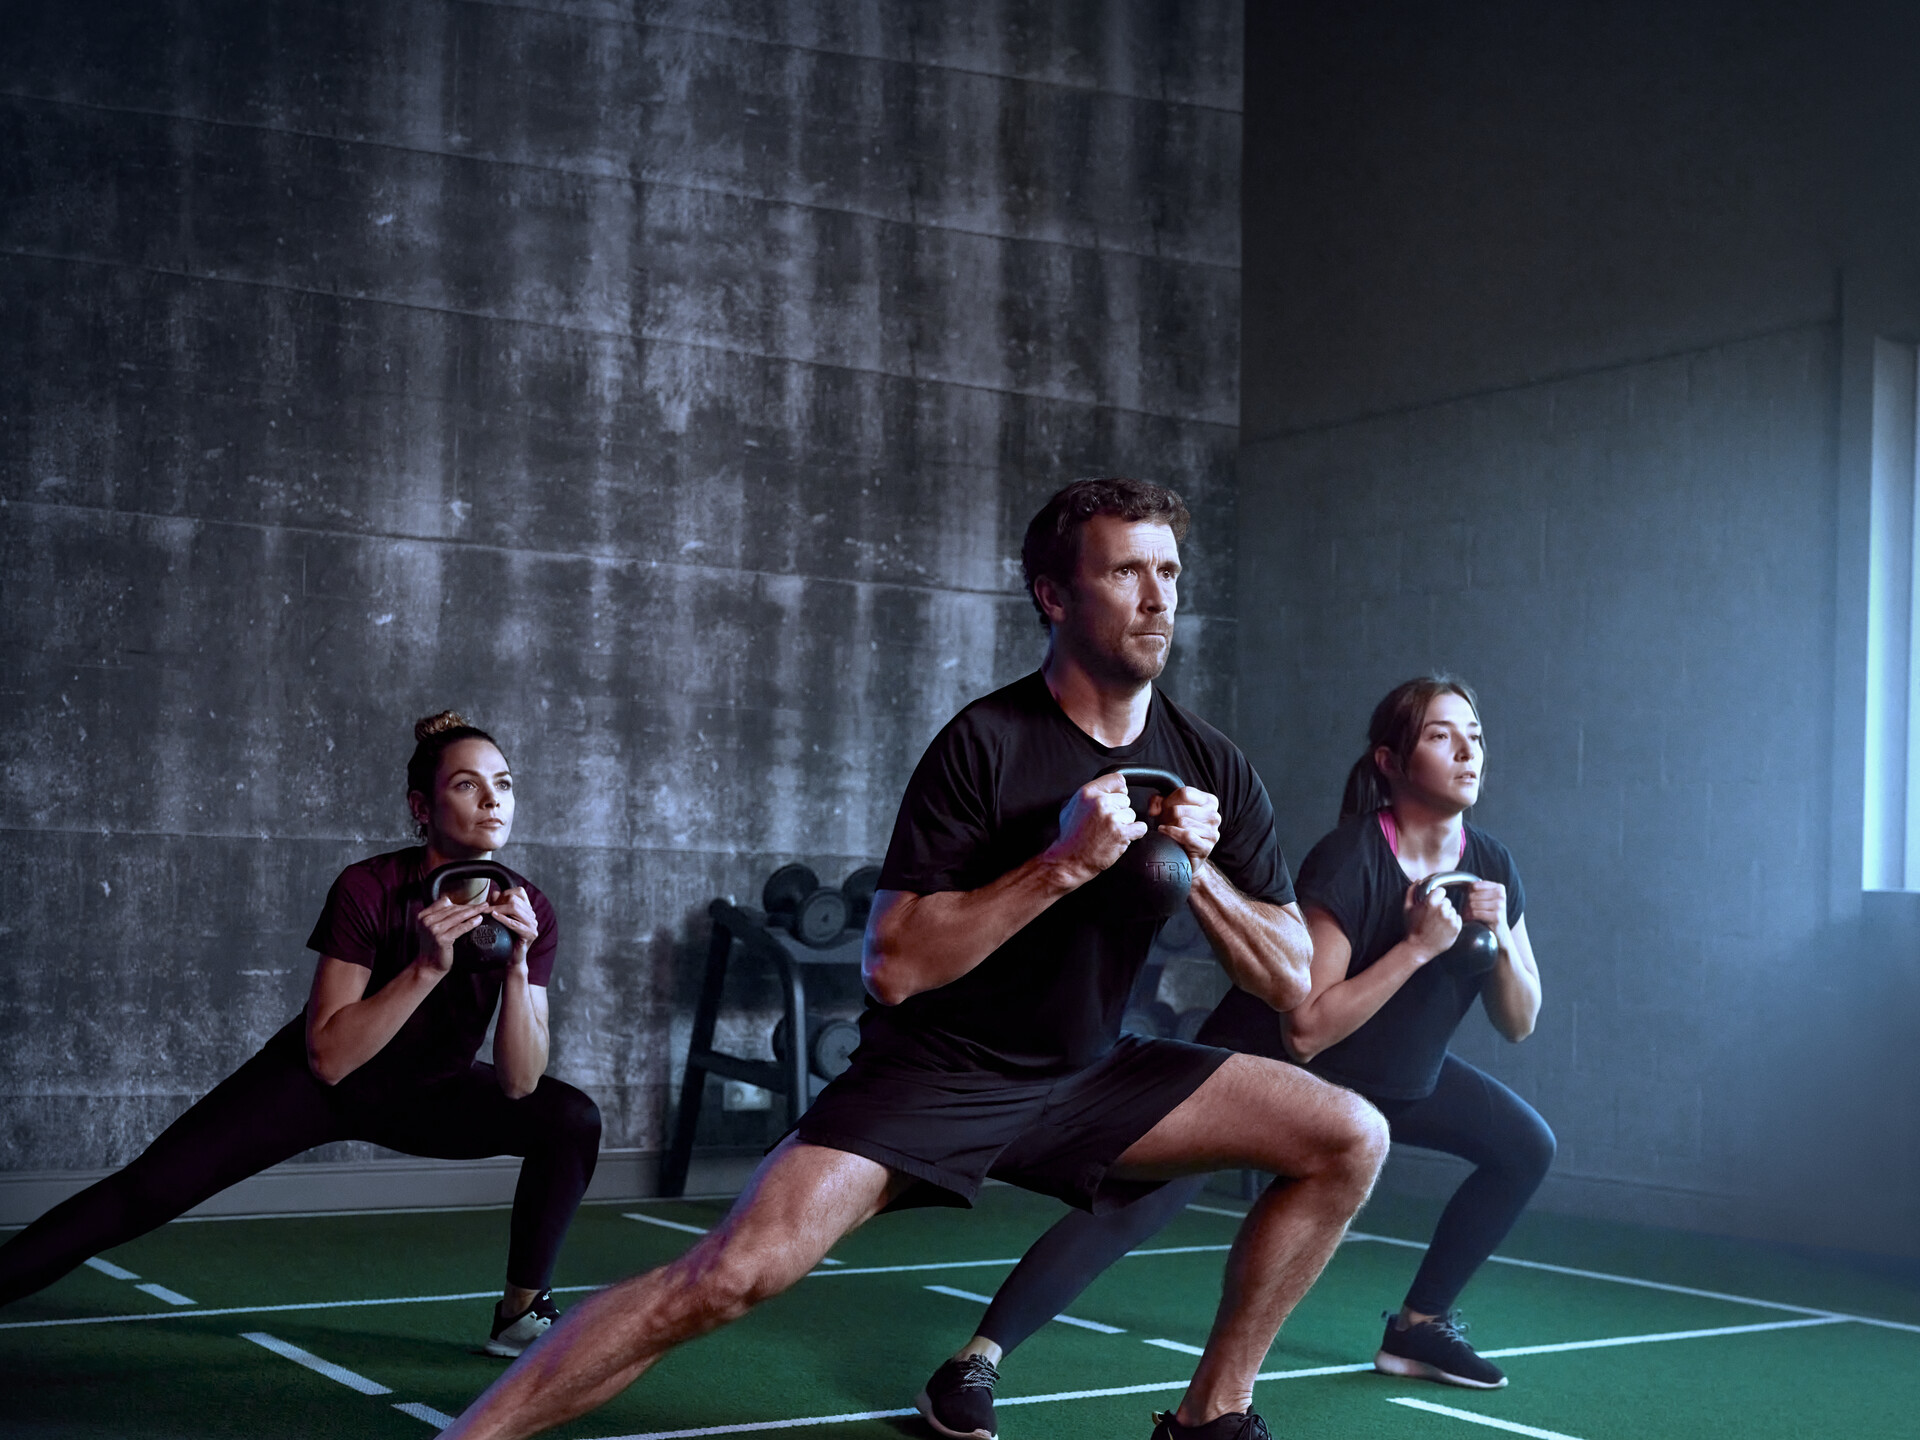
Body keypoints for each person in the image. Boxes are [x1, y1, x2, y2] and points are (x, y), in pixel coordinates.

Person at [438, 479, 1388, 1440]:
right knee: (727, 1278)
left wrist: (1202, 871)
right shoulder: (984, 744)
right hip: (939, 1075)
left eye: (1171, 572)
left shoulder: (1211, 764)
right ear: (1054, 596)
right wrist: (1061, 865)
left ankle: (1210, 1417)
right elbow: (892, 968)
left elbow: (1291, 980)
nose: (1159, 597)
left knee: (1350, 1134)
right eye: (1127, 571)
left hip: (1090, 1073)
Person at [914, 678, 1549, 1438]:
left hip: (1392, 1080)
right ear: (1390, 759)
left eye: (1473, 733)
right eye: (1442, 735)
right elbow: (1308, 1027)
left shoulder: (1494, 865)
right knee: (1133, 1204)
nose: (1468, 749)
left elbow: (1519, 1020)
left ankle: (1418, 1325)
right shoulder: (1353, 859)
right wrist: (1417, 949)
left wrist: (1503, 933)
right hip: (1270, 1065)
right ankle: (973, 1362)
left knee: (1523, 1147)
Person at [0, 711, 603, 1356]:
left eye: (504, 784)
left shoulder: (527, 909)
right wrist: (427, 968)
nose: (492, 800)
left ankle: (519, 1312)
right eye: (466, 785)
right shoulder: (369, 887)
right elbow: (331, 1058)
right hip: (318, 1086)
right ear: (421, 807)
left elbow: (517, 1083)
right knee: (144, 1194)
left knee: (570, 1118)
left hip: (431, 1093)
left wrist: (516, 965)